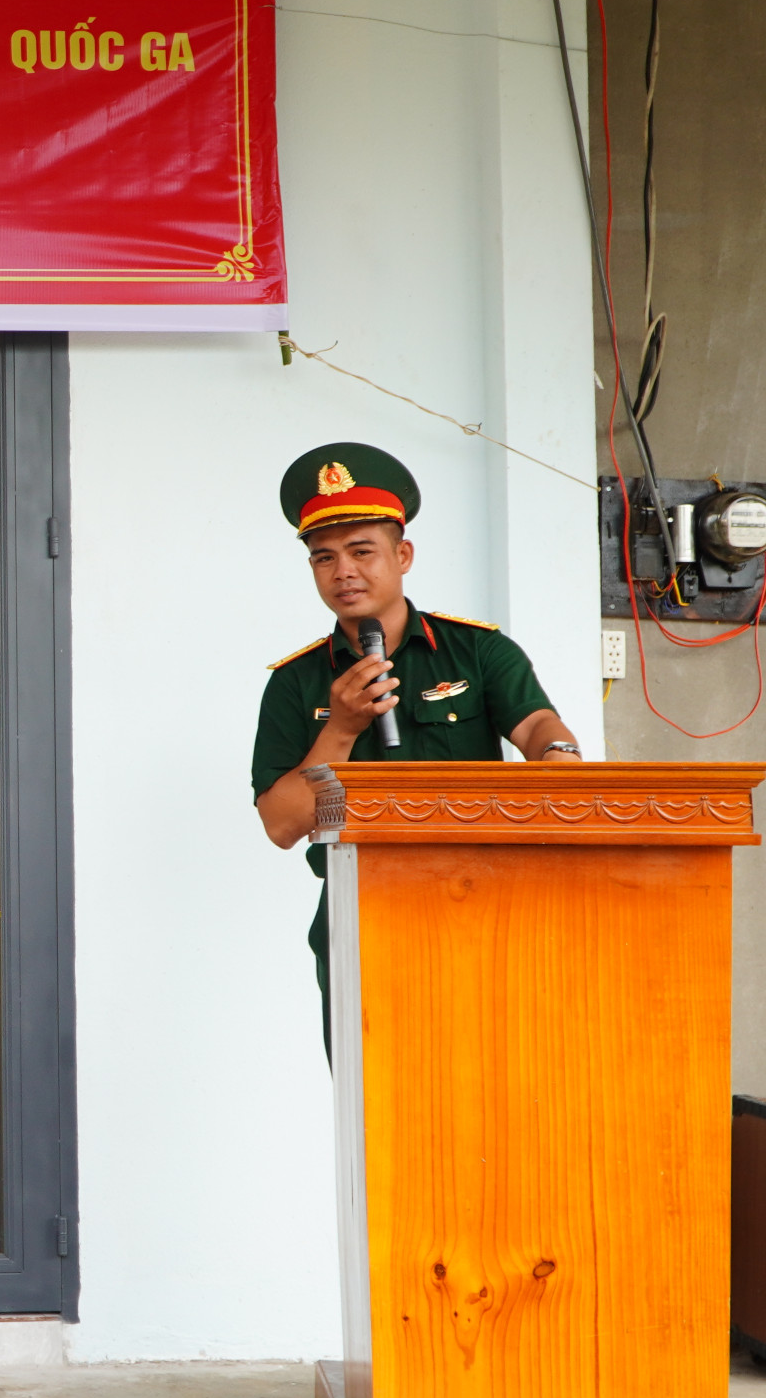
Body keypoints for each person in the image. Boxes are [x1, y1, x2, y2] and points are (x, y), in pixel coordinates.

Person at [250, 443, 586, 1052]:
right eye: (324, 557)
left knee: (492, 1074)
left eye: (361, 551)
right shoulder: (295, 682)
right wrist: (341, 728)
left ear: (402, 555)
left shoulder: (476, 651)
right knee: (374, 1093)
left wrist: (558, 754)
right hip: (359, 911)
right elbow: (280, 824)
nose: (343, 572)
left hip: (480, 899)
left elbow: (537, 725)